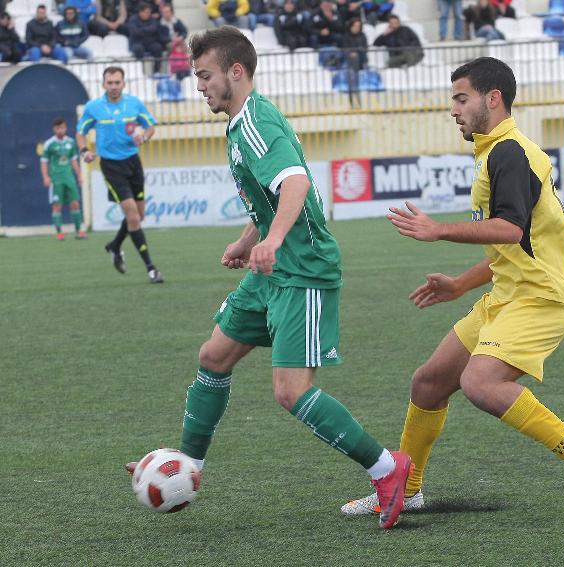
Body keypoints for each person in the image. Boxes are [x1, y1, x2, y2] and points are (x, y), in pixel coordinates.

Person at [126, 26, 412, 530]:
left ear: (236, 71)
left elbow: (297, 182)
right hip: (271, 271)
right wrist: (248, 238)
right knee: (214, 356)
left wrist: (274, 240)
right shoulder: (240, 124)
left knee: (290, 391)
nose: (199, 86)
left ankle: (388, 470)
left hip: (303, 269)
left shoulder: (255, 120)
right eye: (197, 77)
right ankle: (189, 465)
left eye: (205, 75)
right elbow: (270, 195)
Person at [341, 57, 564, 518]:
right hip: (507, 295)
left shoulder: (510, 152)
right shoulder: (494, 152)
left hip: (541, 298)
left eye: (461, 98)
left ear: (493, 99)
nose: (453, 109)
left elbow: (508, 230)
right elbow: (514, 248)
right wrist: (459, 285)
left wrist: (437, 230)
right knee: (428, 383)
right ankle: (406, 489)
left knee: (481, 384)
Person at [76, 66, 164, 284]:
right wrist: (85, 151)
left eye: (117, 82)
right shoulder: (94, 107)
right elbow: (80, 133)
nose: (114, 86)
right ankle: (151, 268)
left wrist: (143, 137)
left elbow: (150, 126)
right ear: (103, 84)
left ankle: (114, 246)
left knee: (139, 216)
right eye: (110, 82)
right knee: (133, 215)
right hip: (111, 166)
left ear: (124, 84)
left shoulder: (133, 104)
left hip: (133, 163)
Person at [41, 118, 87, 240]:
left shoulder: (71, 142)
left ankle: (78, 232)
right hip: (56, 179)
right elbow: (44, 161)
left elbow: (74, 160)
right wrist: (46, 177)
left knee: (75, 204)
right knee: (57, 206)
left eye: (62, 128)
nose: (60, 130)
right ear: (54, 129)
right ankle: (59, 233)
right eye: (58, 128)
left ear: (65, 128)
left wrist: (79, 175)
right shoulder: (49, 144)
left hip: (69, 178)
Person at [127, 2, 168, 73]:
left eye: (149, 12)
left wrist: (142, 30)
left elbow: (154, 28)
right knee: (138, 49)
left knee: (158, 48)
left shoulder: (152, 19)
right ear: (140, 12)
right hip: (137, 42)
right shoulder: (133, 20)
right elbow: (135, 32)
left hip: (150, 42)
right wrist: (148, 30)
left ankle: (156, 70)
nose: (148, 14)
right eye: (146, 12)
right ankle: (141, 72)